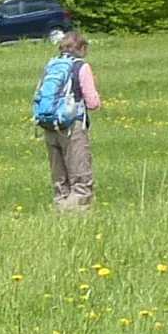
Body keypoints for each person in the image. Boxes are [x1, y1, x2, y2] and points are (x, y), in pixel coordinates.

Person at [36, 31, 104, 211]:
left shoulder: (51, 65)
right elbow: (92, 103)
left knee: (60, 181)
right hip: (71, 125)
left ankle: (60, 213)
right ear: (82, 48)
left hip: (49, 124)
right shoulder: (81, 67)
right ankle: (76, 217)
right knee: (81, 180)